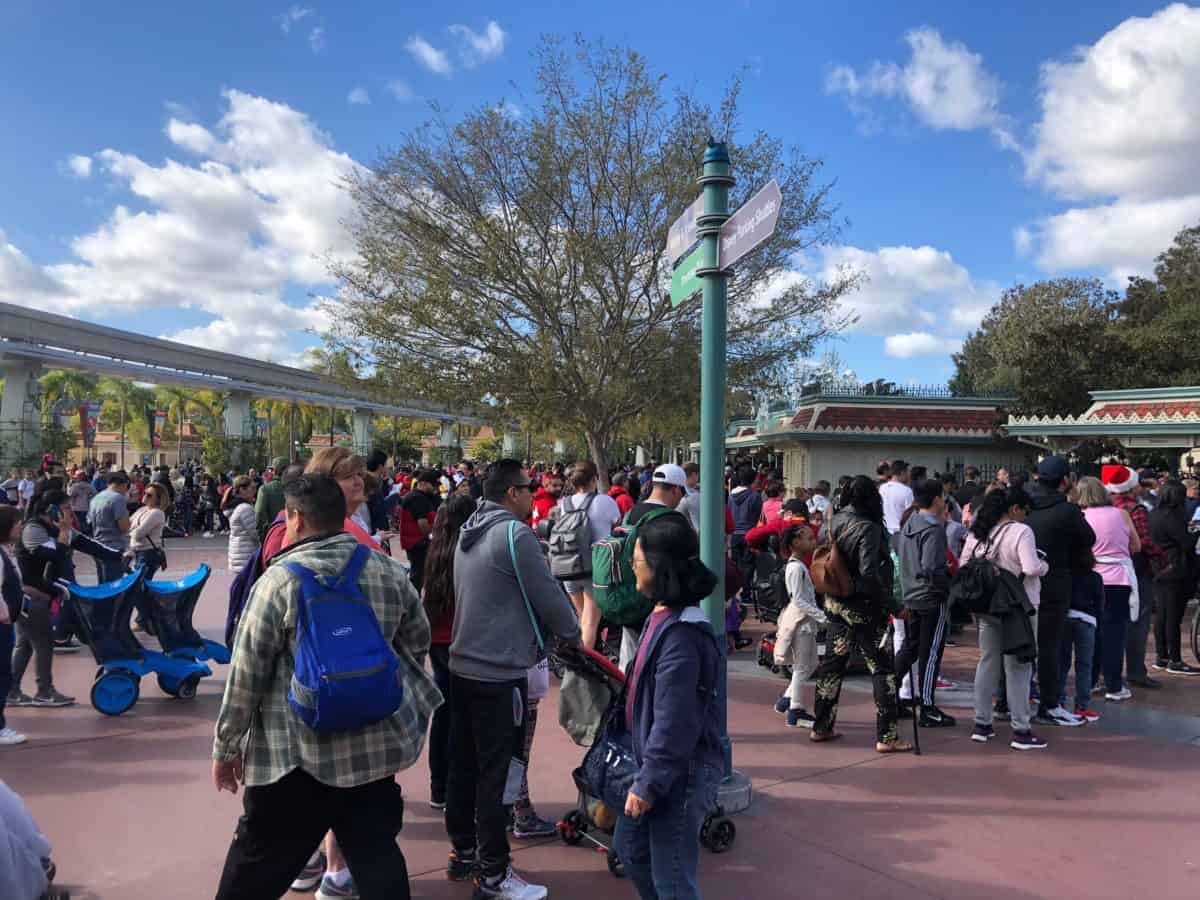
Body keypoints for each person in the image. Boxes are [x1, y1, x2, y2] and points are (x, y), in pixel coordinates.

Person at [212, 474, 440, 900]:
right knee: (377, 858)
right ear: (343, 515)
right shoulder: (389, 573)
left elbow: (247, 674)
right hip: (371, 754)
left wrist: (226, 749)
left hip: (293, 756)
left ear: (295, 518)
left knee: (254, 866)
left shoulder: (279, 581)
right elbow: (416, 644)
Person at [445, 459, 580, 899]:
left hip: (463, 665)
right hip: (500, 672)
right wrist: (573, 633)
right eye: (528, 487)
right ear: (511, 493)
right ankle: (494, 873)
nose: (534, 492)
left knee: (465, 764)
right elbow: (551, 599)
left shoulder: (470, 530)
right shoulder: (515, 534)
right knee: (499, 774)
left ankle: (464, 853)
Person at [616, 512, 722, 900]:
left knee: (672, 877)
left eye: (638, 561)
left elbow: (675, 721)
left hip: (679, 772)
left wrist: (649, 782)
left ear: (660, 569)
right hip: (659, 767)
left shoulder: (682, 635)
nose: (632, 567)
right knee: (632, 849)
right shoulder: (661, 616)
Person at [811, 476, 910, 752]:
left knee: (833, 665)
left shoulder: (835, 520)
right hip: (865, 609)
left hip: (835, 603)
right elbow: (870, 574)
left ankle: (822, 725)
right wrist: (893, 605)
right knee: (881, 668)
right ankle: (887, 735)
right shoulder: (869, 528)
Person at [960, 486, 1048, 750]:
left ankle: (982, 724)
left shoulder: (977, 532)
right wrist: (1046, 566)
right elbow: (1031, 567)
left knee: (987, 662)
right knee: (1019, 666)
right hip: (1018, 606)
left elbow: (965, 565)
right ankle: (1021, 730)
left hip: (987, 605)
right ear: (1013, 509)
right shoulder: (1021, 532)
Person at [1026, 456, 1095, 727]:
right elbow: (1088, 538)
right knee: (1050, 648)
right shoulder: (1066, 511)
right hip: (1055, 583)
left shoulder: (1026, 507)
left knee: (1017, 646)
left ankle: (1008, 702)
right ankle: (1050, 704)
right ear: (1065, 481)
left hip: (1023, 584)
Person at [422, 495, 477, 812]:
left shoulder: (436, 551)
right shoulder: (467, 551)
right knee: (464, 716)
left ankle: (438, 786)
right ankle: (457, 784)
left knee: (443, 713)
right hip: (462, 637)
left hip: (438, 638)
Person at [895, 479, 955, 727]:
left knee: (910, 647)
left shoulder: (910, 522)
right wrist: (947, 581)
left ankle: (891, 694)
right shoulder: (933, 529)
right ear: (937, 499)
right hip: (930, 596)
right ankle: (928, 706)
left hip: (911, 593)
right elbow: (932, 566)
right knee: (930, 652)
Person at [1075, 476, 1140, 702]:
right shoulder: (1121, 514)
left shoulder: (1081, 517)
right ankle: (1114, 685)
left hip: (1091, 579)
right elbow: (1136, 545)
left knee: (1092, 632)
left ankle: (1091, 681)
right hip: (1119, 580)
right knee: (1115, 634)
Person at [9, 494, 75, 708]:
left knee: (24, 645)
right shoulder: (33, 531)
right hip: (32, 597)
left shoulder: (33, 533)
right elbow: (59, 555)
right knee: (43, 643)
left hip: (27, 597)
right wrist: (64, 531)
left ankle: (12, 690)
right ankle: (44, 690)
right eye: (64, 508)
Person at [1104, 465, 1165, 689]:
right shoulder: (1135, 510)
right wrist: (1162, 558)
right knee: (1138, 621)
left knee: (1110, 622)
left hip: (1107, 571)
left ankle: (1107, 671)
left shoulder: (1104, 507)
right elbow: (1145, 542)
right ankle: (1136, 671)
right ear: (1130, 486)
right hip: (1136, 570)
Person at [557, 460, 621, 649]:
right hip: (596, 568)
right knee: (590, 623)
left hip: (568, 566)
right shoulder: (605, 501)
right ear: (595, 479)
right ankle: (583, 671)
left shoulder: (564, 504)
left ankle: (579, 658)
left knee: (582, 617)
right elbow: (617, 525)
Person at [772, 523, 824, 728]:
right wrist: (821, 616)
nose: (813, 541)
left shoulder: (799, 566)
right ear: (795, 543)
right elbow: (799, 599)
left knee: (809, 665)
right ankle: (796, 710)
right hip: (801, 624)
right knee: (803, 667)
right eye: (809, 538)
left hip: (805, 623)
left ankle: (787, 700)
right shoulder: (795, 567)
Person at [1148, 480, 1200, 675]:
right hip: (1175, 569)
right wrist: (1196, 532)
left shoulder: (1154, 514)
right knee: (1173, 617)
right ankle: (1176, 660)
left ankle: (1162, 657)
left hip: (1158, 568)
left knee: (1162, 615)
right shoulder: (1173, 516)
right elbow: (1186, 542)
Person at [0, 506, 29, 745]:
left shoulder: (5, 552)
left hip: (7, 623)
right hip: (2, 624)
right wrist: (5, 613)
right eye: (16, 523)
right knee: (1, 674)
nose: (20, 527)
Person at [399, 469, 441, 593]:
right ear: (423, 483)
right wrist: (433, 534)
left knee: (418, 574)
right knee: (418, 575)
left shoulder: (420, 496)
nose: (434, 488)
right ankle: (412, 603)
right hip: (417, 542)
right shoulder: (417, 498)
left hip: (415, 541)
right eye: (432, 485)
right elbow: (422, 524)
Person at [88, 471, 131, 582]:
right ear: (124, 484)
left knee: (102, 584)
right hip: (113, 547)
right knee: (113, 585)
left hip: (98, 545)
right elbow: (124, 527)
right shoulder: (118, 499)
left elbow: (89, 521)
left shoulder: (96, 498)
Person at [223, 476, 259, 574]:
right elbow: (255, 533)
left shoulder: (235, 506)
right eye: (252, 488)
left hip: (238, 555)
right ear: (242, 489)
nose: (255, 491)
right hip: (245, 556)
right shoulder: (245, 508)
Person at [254, 456, 291, 540]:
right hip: (294, 536)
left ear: (274, 471)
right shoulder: (297, 487)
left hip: (274, 536)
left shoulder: (265, 489)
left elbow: (259, 514)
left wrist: (262, 536)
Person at [878, 460, 913, 535]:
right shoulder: (907, 491)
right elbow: (911, 516)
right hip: (901, 532)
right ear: (902, 473)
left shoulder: (882, 488)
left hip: (884, 532)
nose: (908, 475)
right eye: (907, 472)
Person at [66, 471, 95, 536]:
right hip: (86, 507)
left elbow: (69, 495)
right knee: (85, 522)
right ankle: (87, 534)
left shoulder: (74, 486)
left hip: (76, 507)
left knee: (78, 523)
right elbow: (95, 494)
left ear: (78, 478)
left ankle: (82, 535)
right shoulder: (89, 486)